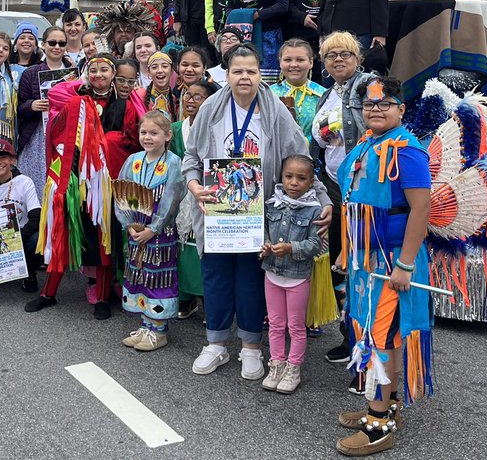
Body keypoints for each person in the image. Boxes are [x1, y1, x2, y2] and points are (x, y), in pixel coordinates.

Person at [182, 43, 332, 380]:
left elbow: (300, 158)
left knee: (252, 278)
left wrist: (323, 199)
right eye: (238, 71)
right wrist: (194, 186)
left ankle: (251, 346)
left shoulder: (274, 109)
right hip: (217, 210)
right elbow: (191, 157)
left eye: (251, 71)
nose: (244, 77)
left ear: (259, 73)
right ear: (227, 74)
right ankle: (216, 344)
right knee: (217, 276)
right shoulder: (210, 108)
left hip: (259, 213)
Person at [334, 77, 433, 457]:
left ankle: (378, 426)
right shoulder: (368, 145)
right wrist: (348, 252)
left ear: (401, 109)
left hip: (392, 261)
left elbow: (420, 208)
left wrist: (406, 264)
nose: (375, 109)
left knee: (382, 337)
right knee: (366, 330)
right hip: (365, 262)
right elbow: (352, 201)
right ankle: (385, 404)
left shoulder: (407, 151)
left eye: (384, 103)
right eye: (369, 104)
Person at [25, 52, 119, 317]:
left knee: (100, 234)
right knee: (60, 230)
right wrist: (81, 92)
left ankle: (101, 297)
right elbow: (54, 94)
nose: (99, 74)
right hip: (68, 172)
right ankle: (48, 293)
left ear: (114, 74)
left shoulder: (122, 101)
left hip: (100, 177)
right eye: (94, 70)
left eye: (105, 70)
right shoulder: (72, 96)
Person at [312, 30, 372, 366]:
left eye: (345, 53)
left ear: (358, 58)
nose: (338, 59)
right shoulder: (327, 95)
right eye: (331, 54)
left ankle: (363, 343)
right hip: (334, 187)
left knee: (360, 266)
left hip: (361, 189)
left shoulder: (367, 87)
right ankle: (348, 336)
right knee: (340, 263)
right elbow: (321, 141)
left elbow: (376, 126)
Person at [117, 110, 184, 351]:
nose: (147, 137)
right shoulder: (133, 160)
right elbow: (122, 194)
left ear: (167, 135)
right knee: (140, 273)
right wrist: (129, 225)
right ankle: (146, 325)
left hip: (160, 235)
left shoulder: (173, 162)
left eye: (154, 133)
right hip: (136, 232)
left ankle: (159, 330)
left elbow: (171, 200)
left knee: (158, 275)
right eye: (144, 132)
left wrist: (154, 228)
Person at [261, 154, 324, 394]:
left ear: (311, 182)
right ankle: (276, 364)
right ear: (281, 178)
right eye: (288, 177)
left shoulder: (314, 210)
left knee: (296, 326)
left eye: (301, 178)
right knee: (276, 324)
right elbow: (264, 232)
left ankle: (293, 367)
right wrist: (266, 246)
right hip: (272, 274)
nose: (294, 183)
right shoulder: (271, 204)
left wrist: (291, 248)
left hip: (298, 277)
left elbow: (315, 245)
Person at [170, 77, 216, 320]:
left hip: (206, 194)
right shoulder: (176, 129)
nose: (190, 100)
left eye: (198, 96)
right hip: (182, 195)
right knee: (182, 246)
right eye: (188, 95)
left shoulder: (216, 127)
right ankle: (186, 298)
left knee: (206, 248)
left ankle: (209, 298)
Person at [0, 137, 42, 291]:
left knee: (37, 238)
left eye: (3, 157)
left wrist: (16, 239)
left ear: (12, 160)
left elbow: (36, 217)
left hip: (23, 235)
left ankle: (29, 273)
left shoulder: (25, 182)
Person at [15, 26, 76, 197]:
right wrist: (32, 105)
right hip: (38, 135)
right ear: (43, 45)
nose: (57, 47)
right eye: (52, 42)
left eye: (61, 43)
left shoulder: (73, 74)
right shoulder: (31, 73)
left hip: (64, 134)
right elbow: (19, 107)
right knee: (36, 182)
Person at [271, 39, 327, 143]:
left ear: (311, 62)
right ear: (280, 62)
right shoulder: (269, 94)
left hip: (313, 156)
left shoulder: (324, 95)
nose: (293, 65)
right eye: (287, 60)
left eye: (300, 60)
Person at [174, 45, 211, 116]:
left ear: (204, 68)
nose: (189, 69)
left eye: (195, 66)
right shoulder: (175, 93)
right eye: (185, 65)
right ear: (178, 67)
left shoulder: (212, 92)